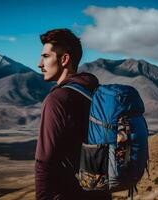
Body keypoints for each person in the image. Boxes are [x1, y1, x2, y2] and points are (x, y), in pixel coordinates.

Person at [35, 28, 112, 200]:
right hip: (100, 193)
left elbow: (44, 162)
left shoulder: (57, 99)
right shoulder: (95, 93)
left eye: (46, 56)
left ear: (64, 59)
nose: (40, 64)